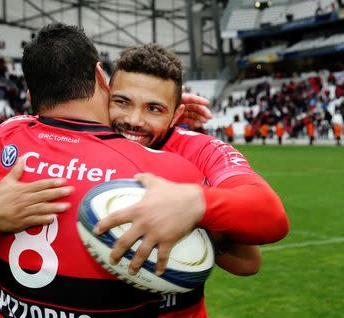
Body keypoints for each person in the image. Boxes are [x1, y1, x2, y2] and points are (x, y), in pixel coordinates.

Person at [0, 23, 208, 318]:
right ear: (101, 76)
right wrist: (163, 119)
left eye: (153, 108)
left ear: (30, 91)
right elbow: (247, 261)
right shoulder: (165, 168)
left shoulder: (7, 136)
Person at [95, 43, 289, 317]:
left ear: (176, 115)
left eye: (154, 109)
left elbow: (265, 228)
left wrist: (193, 205)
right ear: (105, 98)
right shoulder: (81, 142)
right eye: (122, 102)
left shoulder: (200, 150)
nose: (134, 120)